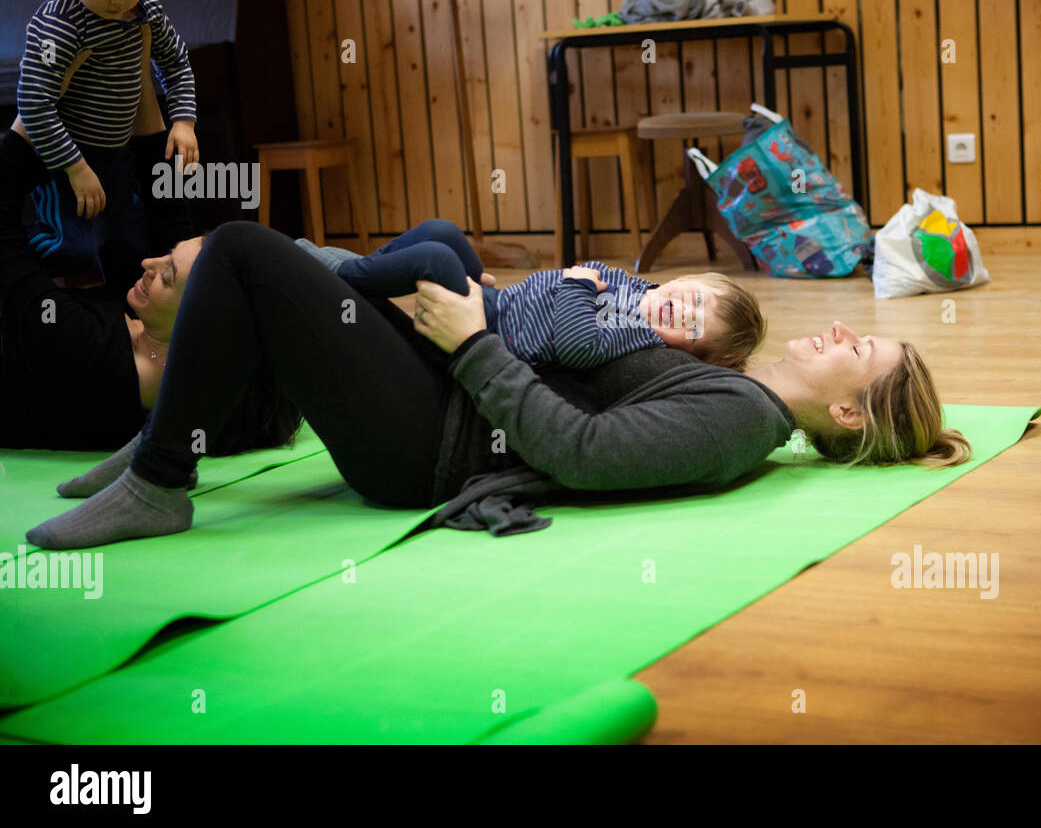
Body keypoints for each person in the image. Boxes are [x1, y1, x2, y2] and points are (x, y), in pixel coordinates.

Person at [25, 221, 971, 550]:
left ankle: (159, 485)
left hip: (431, 446)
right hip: (449, 392)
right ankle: (173, 437)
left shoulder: (736, 422)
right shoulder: (731, 374)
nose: (845, 328)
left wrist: (475, 339)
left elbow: (585, 456)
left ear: (846, 412)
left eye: (864, 351)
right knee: (438, 244)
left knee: (242, 255)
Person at [0, 130, 299, 457]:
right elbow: (168, 212)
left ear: (193, 328)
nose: (150, 263)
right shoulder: (174, 346)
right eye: (168, 255)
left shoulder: (90, 353)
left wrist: (36, 112)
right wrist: (139, 84)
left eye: (167, 275)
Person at [9, 0, 198, 291]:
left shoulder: (145, 11)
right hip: (67, 159)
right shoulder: (61, 24)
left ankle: (125, 321)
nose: (118, 1)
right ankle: (31, 240)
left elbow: (176, 62)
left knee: (130, 247)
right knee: (77, 245)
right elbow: (34, 101)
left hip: (118, 155)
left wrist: (182, 120)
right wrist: (75, 169)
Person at [295, 219, 766, 371]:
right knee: (445, 233)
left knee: (436, 259)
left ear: (689, 351)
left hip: (487, 332)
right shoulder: (641, 287)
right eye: (695, 300)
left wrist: (580, 286)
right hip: (501, 301)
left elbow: (576, 343)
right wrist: (581, 281)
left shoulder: (637, 334)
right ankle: (364, 270)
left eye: (693, 328)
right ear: (687, 280)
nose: (683, 312)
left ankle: (331, 272)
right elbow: (590, 270)